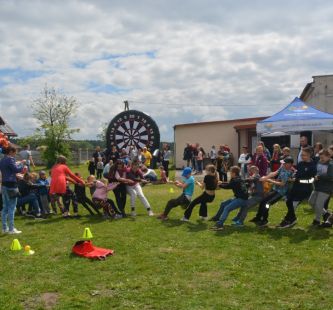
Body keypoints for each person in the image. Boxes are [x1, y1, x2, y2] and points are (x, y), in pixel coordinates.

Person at [277, 147, 316, 228]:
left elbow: (311, 180)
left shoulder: (313, 166)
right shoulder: (301, 163)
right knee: (288, 201)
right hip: (295, 187)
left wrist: (298, 180)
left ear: (309, 155)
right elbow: (296, 172)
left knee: (293, 204)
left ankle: (289, 220)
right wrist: (293, 176)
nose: (302, 156)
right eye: (301, 155)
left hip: (304, 189)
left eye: (304, 155)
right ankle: (291, 218)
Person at [250, 157, 294, 227]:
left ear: (289, 164)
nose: (283, 164)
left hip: (280, 192)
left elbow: (282, 184)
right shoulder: (282, 167)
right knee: (263, 201)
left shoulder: (287, 173)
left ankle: (264, 220)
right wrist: (265, 178)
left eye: (285, 163)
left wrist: (270, 180)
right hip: (275, 189)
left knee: (267, 204)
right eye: (283, 163)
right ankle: (258, 218)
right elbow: (274, 173)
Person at [210, 166, 248, 230]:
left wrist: (220, 185)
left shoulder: (236, 180)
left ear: (234, 173)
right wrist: (222, 182)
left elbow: (228, 186)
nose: (230, 173)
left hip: (242, 200)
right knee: (223, 204)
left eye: (230, 172)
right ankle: (216, 217)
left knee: (227, 208)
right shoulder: (237, 178)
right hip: (238, 198)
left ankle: (220, 224)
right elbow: (230, 183)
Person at [0, 146, 25, 234]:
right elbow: (16, 169)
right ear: (10, 152)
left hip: (4, 185)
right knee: (12, 207)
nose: (15, 154)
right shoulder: (11, 159)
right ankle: (11, 229)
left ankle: (4, 228)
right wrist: (22, 164)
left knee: (5, 207)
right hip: (11, 185)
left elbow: (9, 169)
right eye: (15, 152)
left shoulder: (2, 160)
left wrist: (18, 163)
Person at [308, 149, 333, 226]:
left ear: (329, 156)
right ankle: (326, 214)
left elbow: (331, 176)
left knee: (319, 204)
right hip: (317, 186)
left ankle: (317, 220)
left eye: (323, 158)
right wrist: (314, 175)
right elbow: (317, 171)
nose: (321, 159)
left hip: (326, 188)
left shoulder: (331, 164)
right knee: (311, 202)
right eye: (320, 157)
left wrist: (319, 176)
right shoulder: (319, 162)